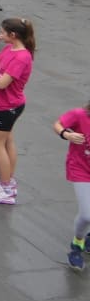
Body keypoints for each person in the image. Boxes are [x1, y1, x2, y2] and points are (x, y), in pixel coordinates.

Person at [0, 18, 35, 205]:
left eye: (3, 32)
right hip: (3, 105)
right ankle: (7, 181)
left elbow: (2, 83)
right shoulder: (8, 49)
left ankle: (6, 190)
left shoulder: (22, 57)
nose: (0, 34)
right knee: (6, 141)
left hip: (8, 107)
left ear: (13, 35)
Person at [54, 98, 90, 270]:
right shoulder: (79, 115)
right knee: (87, 215)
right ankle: (77, 243)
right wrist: (67, 134)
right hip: (81, 169)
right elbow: (58, 124)